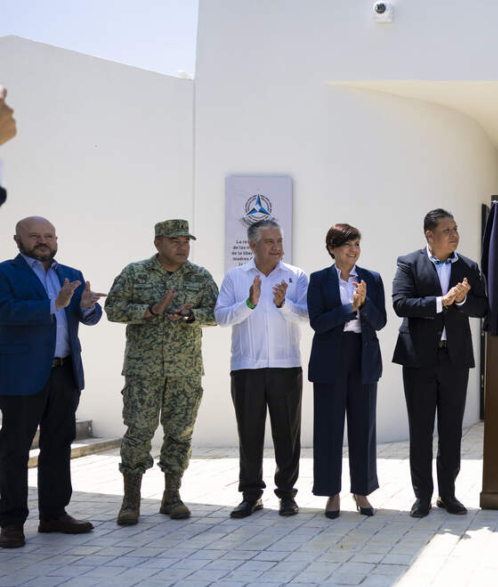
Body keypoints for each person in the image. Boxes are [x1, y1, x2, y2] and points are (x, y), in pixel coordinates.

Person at [105, 219, 218, 525]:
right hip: (144, 369)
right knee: (139, 431)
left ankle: (172, 496)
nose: (183, 247)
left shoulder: (200, 276)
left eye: (186, 241)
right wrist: (150, 310)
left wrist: (193, 315)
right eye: (175, 241)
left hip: (185, 370)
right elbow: (112, 308)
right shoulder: (135, 272)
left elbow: (218, 313)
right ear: (158, 243)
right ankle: (130, 500)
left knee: (180, 432)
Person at [0, 217, 104, 548]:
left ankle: (54, 514)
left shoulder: (70, 273)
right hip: (21, 376)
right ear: (17, 239)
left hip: (65, 372)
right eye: (35, 236)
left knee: (58, 445)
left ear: (56, 240)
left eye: (48, 236)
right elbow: (5, 310)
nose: (42, 241)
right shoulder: (5, 273)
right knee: (14, 450)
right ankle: (11, 522)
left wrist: (87, 308)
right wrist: (52, 304)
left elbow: (84, 316)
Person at [392, 208, 488, 518]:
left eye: (456, 228)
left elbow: (483, 307)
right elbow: (400, 303)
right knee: (420, 429)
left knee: (450, 430)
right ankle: (422, 496)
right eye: (447, 230)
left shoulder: (469, 267)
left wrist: (460, 300)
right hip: (419, 358)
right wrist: (440, 302)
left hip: (454, 358)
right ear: (429, 235)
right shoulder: (408, 263)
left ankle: (448, 494)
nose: (454, 234)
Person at [214, 219, 308, 519]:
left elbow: (307, 315)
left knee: (287, 435)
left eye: (279, 241)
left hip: (285, 366)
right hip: (246, 368)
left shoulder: (296, 276)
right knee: (250, 433)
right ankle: (251, 495)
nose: (277, 247)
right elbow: (221, 317)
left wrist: (282, 304)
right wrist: (249, 303)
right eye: (269, 242)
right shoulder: (235, 277)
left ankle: (287, 495)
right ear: (253, 245)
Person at [308, 224, 386, 519]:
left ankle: (362, 490)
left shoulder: (372, 279)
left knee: (363, 425)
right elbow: (317, 322)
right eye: (346, 245)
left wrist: (363, 305)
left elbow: (380, 322)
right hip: (330, 357)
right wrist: (348, 309)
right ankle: (331, 493)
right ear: (332, 248)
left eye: (356, 244)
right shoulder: (318, 280)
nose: (353, 249)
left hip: (362, 356)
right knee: (328, 427)